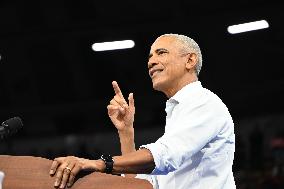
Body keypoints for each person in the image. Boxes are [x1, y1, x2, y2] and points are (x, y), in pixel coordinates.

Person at [49, 34, 236, 189]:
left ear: (190, 60)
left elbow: (165, 155)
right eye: (149, 57)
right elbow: (138, 185)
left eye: (161, 53)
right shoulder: (178, 115)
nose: (151, 62)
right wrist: (126, 133)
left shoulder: (205, 103)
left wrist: (98, 163)